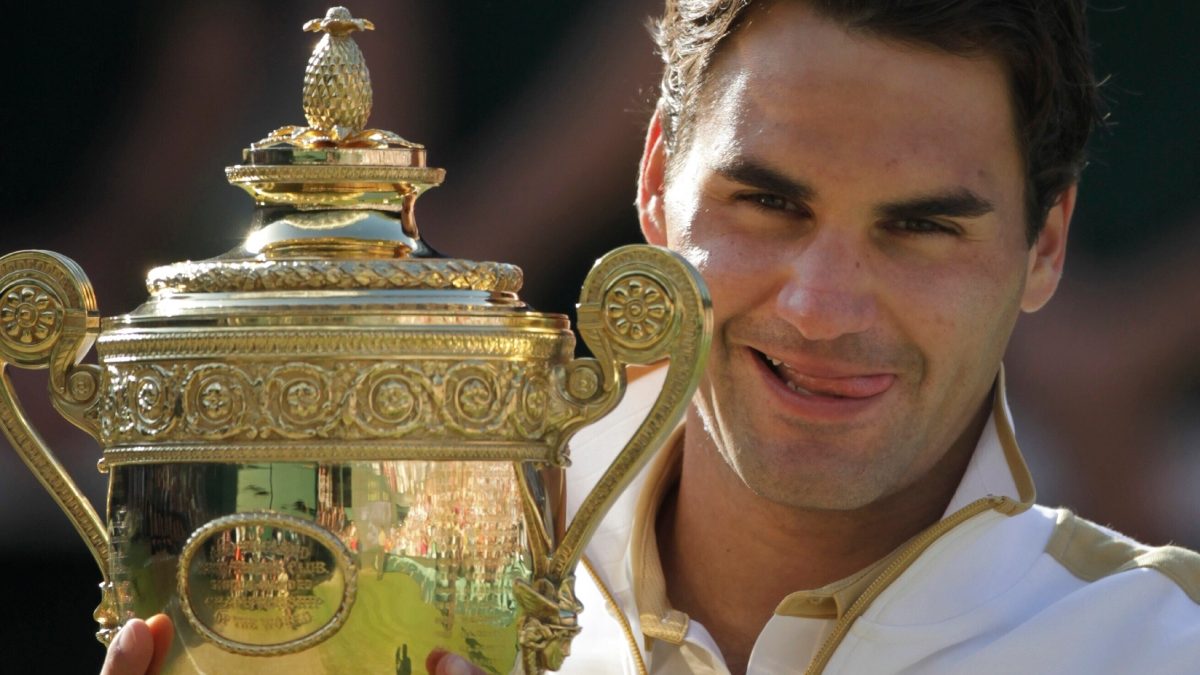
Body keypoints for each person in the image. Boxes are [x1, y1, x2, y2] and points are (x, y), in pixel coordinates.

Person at [104, 1, 1200, 674]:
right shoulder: (385, 615)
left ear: (1046, 246)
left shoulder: (1165, 646)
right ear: (651, 186)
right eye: (768, 206)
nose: (822, 307)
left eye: (918, 230)